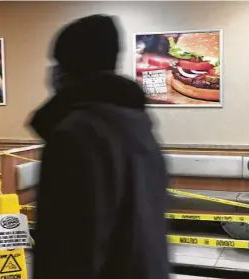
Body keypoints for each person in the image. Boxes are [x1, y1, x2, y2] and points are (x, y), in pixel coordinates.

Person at [29, 15, 170, 279]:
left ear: (67, 70)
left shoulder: (76, 135)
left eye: (57, 64)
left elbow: (69, 250)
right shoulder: (140, 127)